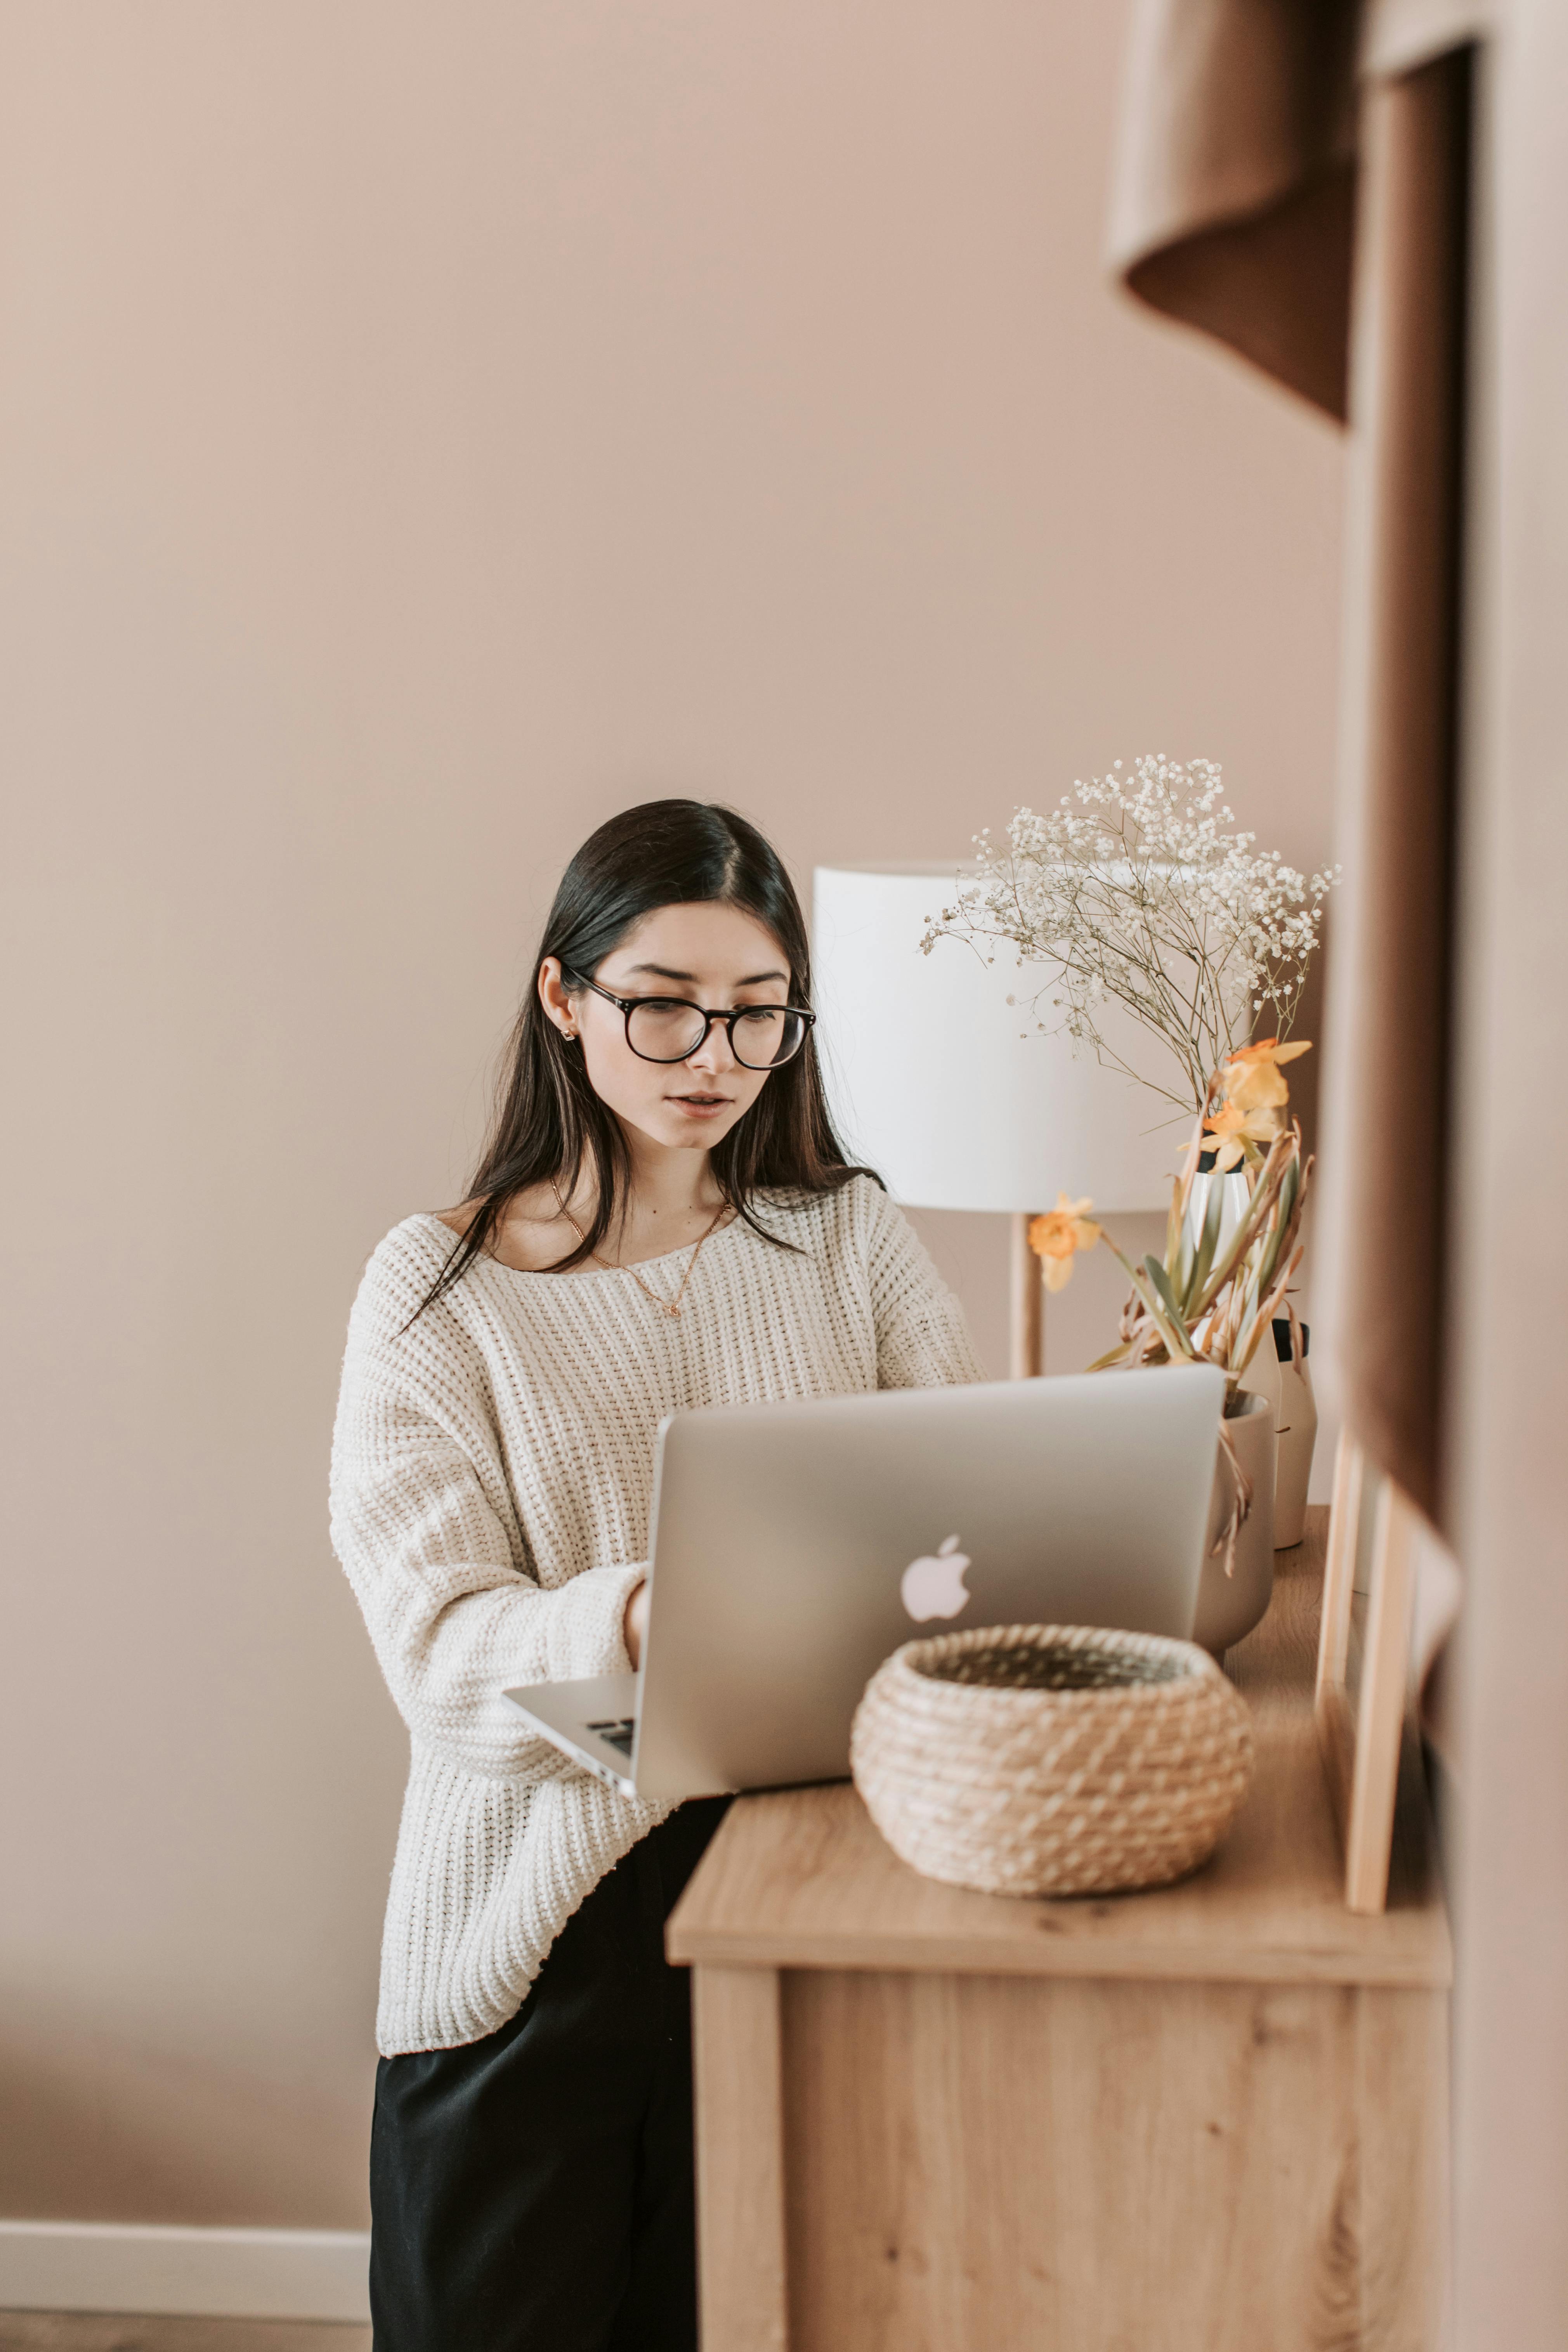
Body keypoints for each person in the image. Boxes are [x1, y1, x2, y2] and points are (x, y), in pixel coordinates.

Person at [330, 798, 982, 2350]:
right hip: (534, 1938)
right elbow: (434, 1645)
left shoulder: (846, 1243)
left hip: (803, 1896)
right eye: (666, 1005)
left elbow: (966, 1520)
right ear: (563, 998)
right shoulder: (441, 1286)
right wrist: (643, 1605)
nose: (713, 1055)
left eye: (758, 1016)